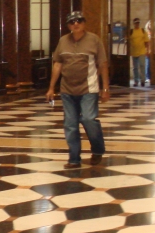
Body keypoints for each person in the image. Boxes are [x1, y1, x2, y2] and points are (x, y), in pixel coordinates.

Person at [46, 11, 110, 169]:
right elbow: (58, 64)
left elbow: (102, 64)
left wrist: (105, 88)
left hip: (89, 88)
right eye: (72, 22)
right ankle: (74, 159)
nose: (76, 24)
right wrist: (51, 87)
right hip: (67, 89)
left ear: (84, 23)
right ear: (68, 25)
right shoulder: (63, 41)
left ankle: (97, 149)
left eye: (79, 21)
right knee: (70, 124)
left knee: (88, 119)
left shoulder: (94, 40)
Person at [128, 17, 149, 87]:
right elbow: (127, 41)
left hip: (142, 51)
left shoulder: (142, 31)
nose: (137, 24)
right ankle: (136, 81)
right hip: (134, 52)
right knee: (135, 68)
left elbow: (146, 41)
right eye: (136, 23)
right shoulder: (131, 32)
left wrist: (147, 50)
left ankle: (142, 80)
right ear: (133, 24)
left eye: (138, 23)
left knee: (142, 65)